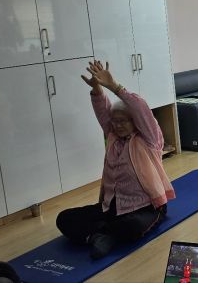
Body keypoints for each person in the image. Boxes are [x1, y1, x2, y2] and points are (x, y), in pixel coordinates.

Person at [55, 61, 175, 260]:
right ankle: (100, 236)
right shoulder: (112, 137)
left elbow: (141, 109)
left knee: (132, 225)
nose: (117, 126)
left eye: (123, 121)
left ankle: (102, 234)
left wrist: (114, 86)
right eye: (115, 121)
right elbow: (103, 112)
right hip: (112, 207)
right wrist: (97, 89)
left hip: (146, 207)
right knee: (64, 219)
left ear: (134, 122)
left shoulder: (149, 140)